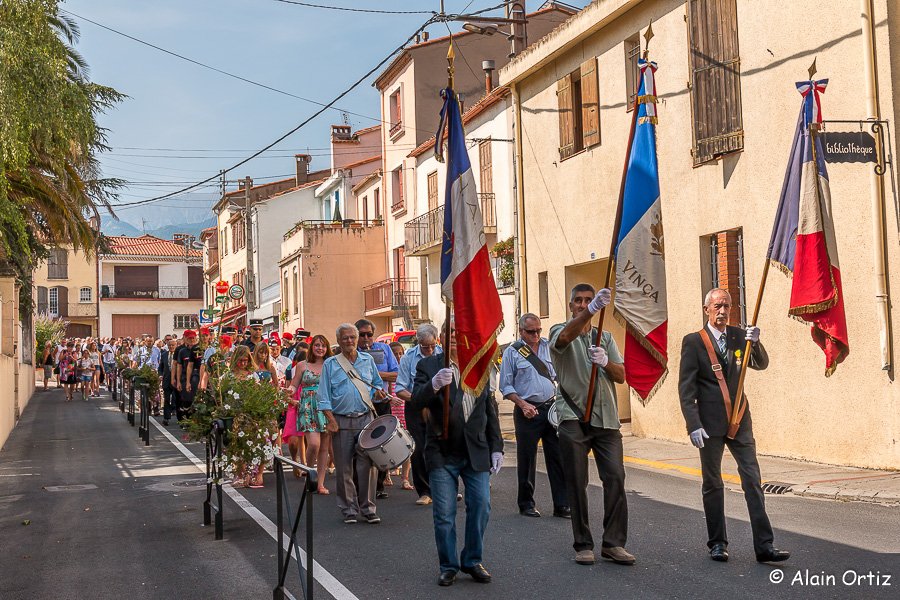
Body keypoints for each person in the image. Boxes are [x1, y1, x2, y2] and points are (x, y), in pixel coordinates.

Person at [678, 288, 789, 564]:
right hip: (709, 424)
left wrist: (757, 343)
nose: (722, 311)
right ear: (707, 310)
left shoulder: (739, 336)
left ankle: (765, 546)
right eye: (717, 306)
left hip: (740, 419)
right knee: (713, 482)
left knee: (752, 480)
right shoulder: (694, 342)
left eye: (726, 306)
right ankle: (717, 543)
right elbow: (685, 388)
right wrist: (693, 424)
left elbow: (760, 364)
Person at [410, 317, 503, 587]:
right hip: (442, 451)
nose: (455, 336)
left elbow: (489, 410)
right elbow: (416, 401)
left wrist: (496, 447)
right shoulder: (427, 365)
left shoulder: (479, 365)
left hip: (475, 451)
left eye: (459, 332)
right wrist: (434, 385)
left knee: (481, 506)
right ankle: (448, 565)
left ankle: (472, 560)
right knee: (444, 513)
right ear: (441, 337)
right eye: (450, 331)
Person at [550, 284, 633, 566]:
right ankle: (583, 543)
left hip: (606, 418)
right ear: (571, 305)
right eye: (579, 301)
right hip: (573, 417)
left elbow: (621, 375)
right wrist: (592, 310)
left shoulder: (605, 337)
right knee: (577, 482)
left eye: (589, 300)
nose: (584, 304)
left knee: (615, 478)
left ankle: (613, 543)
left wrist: (607, 362)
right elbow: (564, 337)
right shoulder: (561, 330)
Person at [500, 313, 570, 519]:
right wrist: (522, 404)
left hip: (550, 409)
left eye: (539, 330)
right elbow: (506, 385)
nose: (536, 334)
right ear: (521, 331)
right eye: (531, 331)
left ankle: (562, 504)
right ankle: (526, 503)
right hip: (527, 410)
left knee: (557, 457)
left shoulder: (549, 346)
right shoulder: (512, 353)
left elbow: (560, 374)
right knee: (527, 458)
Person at [317, 323, 385, 524]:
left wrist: (379, 393)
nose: (350, 341)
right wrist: (330, 421)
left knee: (369, 465)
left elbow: (377, 385)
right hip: (341, 420)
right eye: (345, 338)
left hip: (365, 418)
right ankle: (348, 509)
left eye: (352, 337)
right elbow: (323, 397)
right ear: (338, 341)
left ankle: (368, 508)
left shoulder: (367, 360)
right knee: (344, 466)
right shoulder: (330, 364)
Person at [396, 323, 441, 505]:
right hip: (415, 406)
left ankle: (442, 489)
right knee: (419, 449)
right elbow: (400, 388)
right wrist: (417, 399)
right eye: (425, 346)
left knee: (442, 448)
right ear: (418, 342)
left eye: (432, 345)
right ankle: (424, 491)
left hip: (440, 407)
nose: (429, 350)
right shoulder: (408, 357)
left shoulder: (442, 354)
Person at [355, 319, 399, 498]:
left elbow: (396, 375)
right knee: (360, 445)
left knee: (382, 443)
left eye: (369, 334)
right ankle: (360, 485)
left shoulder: (385, 349)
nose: (366, 338)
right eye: (362, 334)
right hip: (361, 405)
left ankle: (380, 485)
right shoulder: (352, 353)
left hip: (382, 403)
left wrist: (375, 373)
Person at [286, 335, 331, 492]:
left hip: (326, 407)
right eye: (317, 345)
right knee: (313, 444)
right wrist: (288, 391)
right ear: (312, 347)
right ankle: (310, 472)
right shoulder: (302, 365)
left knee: (324, 447)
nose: (320, 348)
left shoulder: (330, 364)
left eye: (323, 345)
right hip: (307, 407)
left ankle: (319, 483)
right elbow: (293, 385)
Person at [388, 342, 413, 490]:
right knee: (389, 444)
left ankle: (405, 478)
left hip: (404, 411)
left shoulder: (406, 369)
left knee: (406, 443)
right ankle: (387, 474)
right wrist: (390, 398)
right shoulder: (387, 371)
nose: (398, 356)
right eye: (395, 354)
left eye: (400, 353)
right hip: (391, 410)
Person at [175, 330, 202, 422]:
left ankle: (194, 420)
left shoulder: (200, 349)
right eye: (190, 338)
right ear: (185, 339)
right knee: (186, 400)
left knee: (196, 400)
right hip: (185, 377)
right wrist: (178, 381)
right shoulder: (182, 351)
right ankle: (185, 420)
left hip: (197, 376)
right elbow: (179, 366)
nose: (192, 340)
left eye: (193, 338)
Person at [159, 339, 177, 426]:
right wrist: (160, 375)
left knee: (176, 398)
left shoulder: (178, 355)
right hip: (166, 380)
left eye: (173, 345)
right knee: (166, 399)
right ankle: (166, 417)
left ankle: (180, 418)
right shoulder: (164, 355)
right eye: (170, 345)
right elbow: (161, 367)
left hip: (176, 380)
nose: (171, 347)